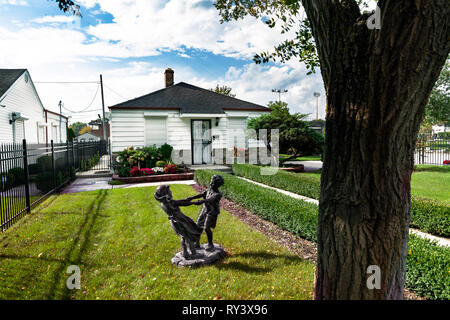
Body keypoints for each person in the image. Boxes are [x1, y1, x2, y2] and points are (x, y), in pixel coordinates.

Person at [154, 185, 202, 259]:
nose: (171, 192)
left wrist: (189, 199)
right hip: (180, 221)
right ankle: (193, 253)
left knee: (183, 237)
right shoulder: (170, 203)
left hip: (174, 222)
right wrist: (194, 202)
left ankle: (185, 253)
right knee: (188, 236)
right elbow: (182, 203)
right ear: (166, 194)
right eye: (169, 191)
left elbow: (181, 201)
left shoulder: (163, 203)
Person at [184, 175, 224, 251]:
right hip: (204, 209)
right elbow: (202, 194)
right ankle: (196, 242)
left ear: (217, 185)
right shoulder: (209, 190)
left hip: (212, 212)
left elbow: (209, 200)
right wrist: (191, 198)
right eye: (211, 182)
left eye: (213, 183)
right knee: (198, 226)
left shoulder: (218, 194)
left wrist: (200, 201)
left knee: (206, 227)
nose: (211, 183)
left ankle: (210, 244)